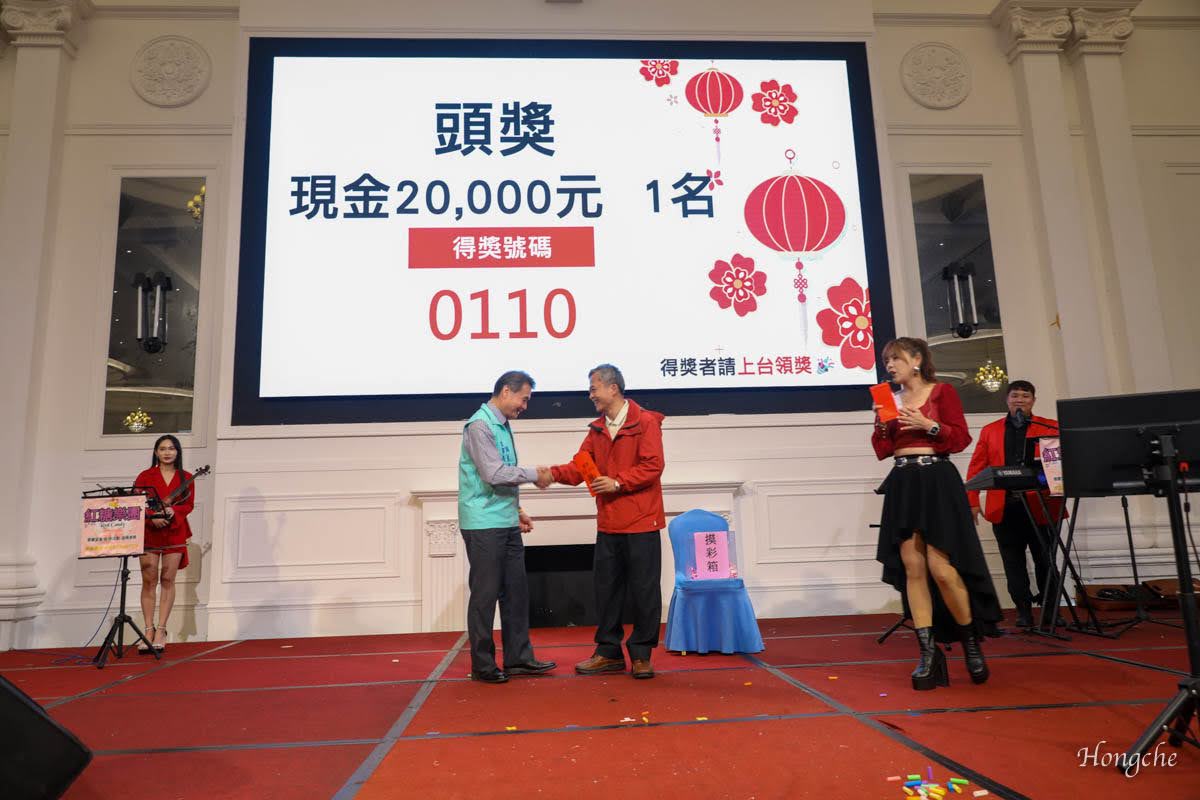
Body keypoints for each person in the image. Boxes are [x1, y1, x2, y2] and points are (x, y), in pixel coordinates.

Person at [871, 338, 1001, 690]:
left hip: (937, 479)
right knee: (913, 568)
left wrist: (928, 424)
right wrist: (881, 424)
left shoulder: (942, 392)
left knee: (942, 569)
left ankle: (970, 642)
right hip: (903, 480)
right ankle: (928, 654)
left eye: (896, 358)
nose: (890, 365)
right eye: (887, 360)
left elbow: (960, 438)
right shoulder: (889, 400)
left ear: (916, 360)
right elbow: (883, 450)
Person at [549, 364, 666, 679]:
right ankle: (608, 652)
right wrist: (549, 474)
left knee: (644, 591)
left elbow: (653, 465)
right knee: (606, 591)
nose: (591, 395)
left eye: (594, 388)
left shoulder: (645, 422)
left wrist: (618, 482)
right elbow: (580, 467)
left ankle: (641, 655)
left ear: (613, 388)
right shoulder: (597, 429)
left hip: (642, 521)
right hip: (609, 523)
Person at [457, 370, 556, 684]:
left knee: (516, 592)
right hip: (484, 523)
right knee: (485, 595)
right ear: (505, 392)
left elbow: (501, 475)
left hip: (504, 519)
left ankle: (519, 658)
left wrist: (517, 510)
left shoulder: (502, 424)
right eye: (523, 399)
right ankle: (483, 665)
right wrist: (535, 474)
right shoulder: (480, 425)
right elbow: (494, 473)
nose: (525, 406)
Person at [965, 379, 1065, 628]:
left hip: (1042, 506)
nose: (1020, 400)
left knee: (1046, 561)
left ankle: (1051, 611)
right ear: (1007, 399)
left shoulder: (1050, 427)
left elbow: (1061, 465)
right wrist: (972, 501)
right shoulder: (990, 431)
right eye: (1015, 396)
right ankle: (1023, 611)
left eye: (1025, 396)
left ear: (1033, 400)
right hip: (1006, 507)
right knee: (1013, 563)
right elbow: (976, 468)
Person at [134, 435, 194, 653]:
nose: (167, 452)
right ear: (156, 452)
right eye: (162, 448)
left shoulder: (186, 477)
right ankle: (148, 630)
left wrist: (172, 511)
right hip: (150, 531)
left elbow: (188, 505)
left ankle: (161, 630)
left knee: (168, 579)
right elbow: (136, 503)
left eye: (171, 448)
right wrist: (152, 517)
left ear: (177, 452)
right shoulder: (145, 476)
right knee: (149, 580)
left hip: (174, 531)